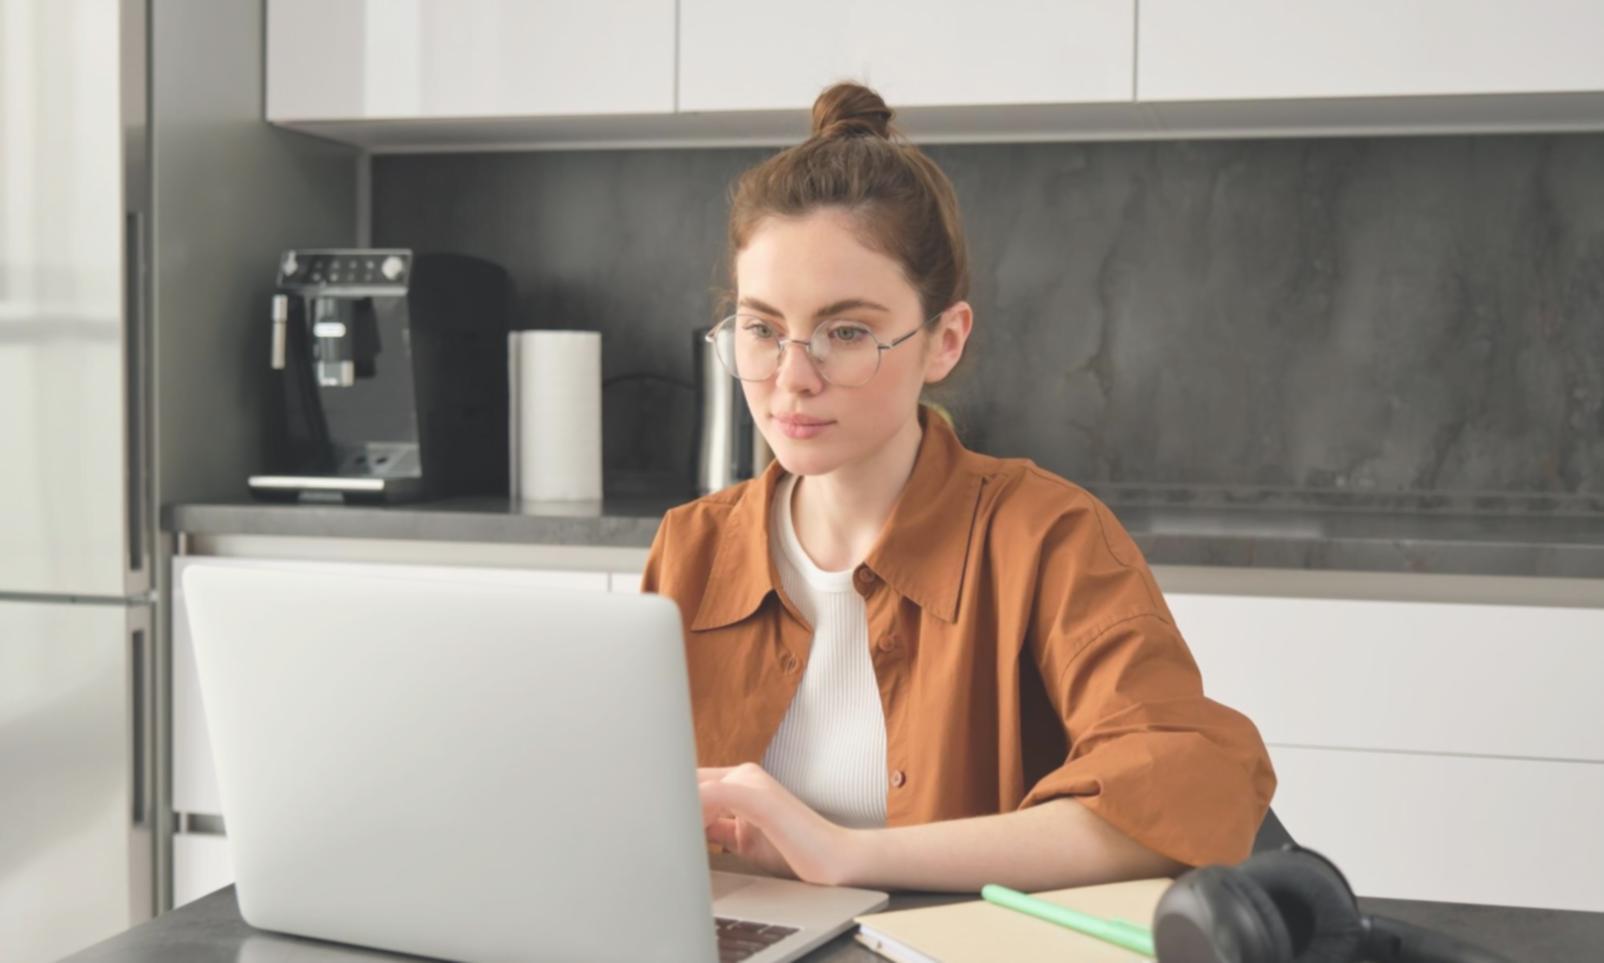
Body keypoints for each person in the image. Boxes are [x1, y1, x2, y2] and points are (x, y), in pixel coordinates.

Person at [641, 81, 1274, 894]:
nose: (792, 378)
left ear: (943, 340)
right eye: (763, 329)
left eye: (846, 331)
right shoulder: (690, 547)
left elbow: (1188, 788)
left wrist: (847, 853)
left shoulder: (1048, 538)